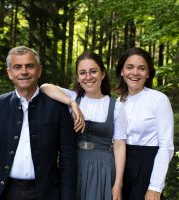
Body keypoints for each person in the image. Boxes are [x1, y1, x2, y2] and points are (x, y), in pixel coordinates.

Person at [0, 46, 77, 200]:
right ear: (10, 73)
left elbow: (68, 157)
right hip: (2, 192)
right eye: (17, 67)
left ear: (39, 70)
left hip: (45, 193)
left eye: (29, 66)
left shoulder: (57, 108)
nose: (24, 72)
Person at [40, 52, 127, 200]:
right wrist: (72, 103)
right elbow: (44, 87)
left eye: (93, 71)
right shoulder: (72, 97)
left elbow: (119, 146)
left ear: (103, 74)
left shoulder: (117, 106)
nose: (88, 77)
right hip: (73, 165)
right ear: (78, 77)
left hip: (103, 168)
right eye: (82, 73)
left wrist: (118, 184)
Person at [115, 47, 174, 200]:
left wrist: (155, 186)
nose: (135, 73)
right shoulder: (117, 102)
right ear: (122, 71)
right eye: (129, 67)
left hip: (147, 168)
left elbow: (166, 146)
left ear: (148, 74)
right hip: (119, 168)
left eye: (141, 68)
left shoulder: (159, 100)